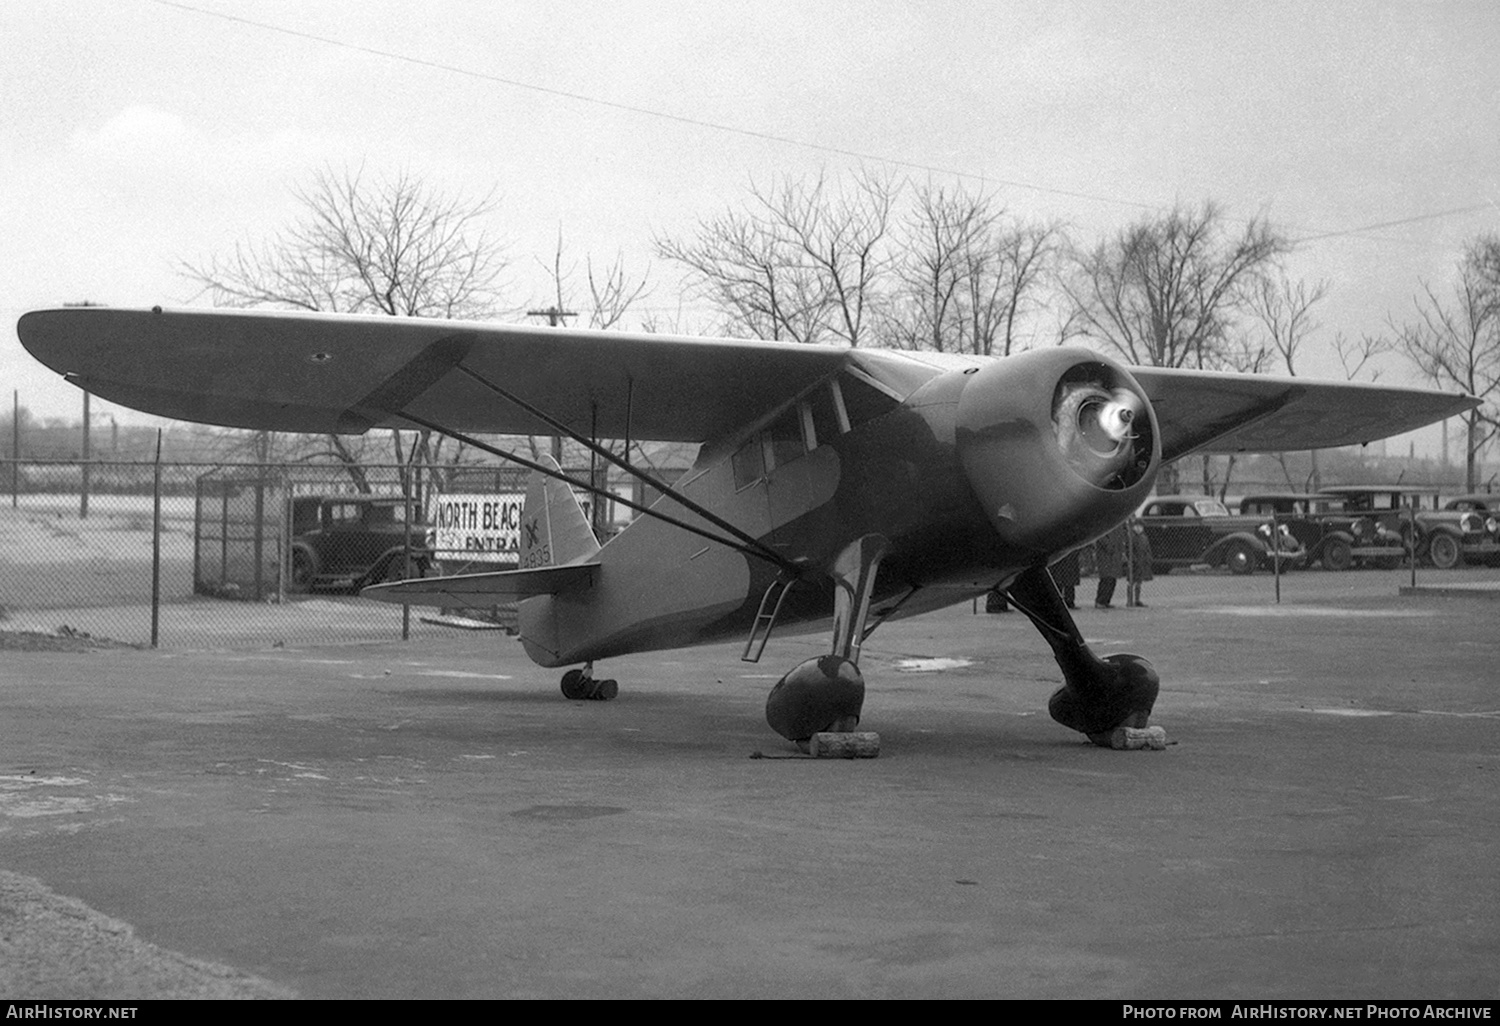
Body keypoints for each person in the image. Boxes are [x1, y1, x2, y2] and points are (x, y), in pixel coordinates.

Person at [1093, 522, 1127, 609]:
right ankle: (1100, 601)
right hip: (1106, 556)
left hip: (1114, 556)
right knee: (1106, 579)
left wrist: (1121, 551)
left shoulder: (1118, 525)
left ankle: (1106, 601)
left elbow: (1122, 538)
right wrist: (1109, 546)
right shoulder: (1104, 524)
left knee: (1112, 580)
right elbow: (1101, 538)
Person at [1126, 520, 1154, 607]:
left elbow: (1147, 549)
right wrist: (1133, 559)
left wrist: (1148, 559)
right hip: (1134, 563)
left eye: (1140, 527)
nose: (1138, 529)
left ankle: (1137, 599)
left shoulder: (1144, 538)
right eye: (1137, 526)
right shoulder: (1131, 537)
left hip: (1142, 562)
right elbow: (1129, 551)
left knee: (1139, 581)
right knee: (1131, 581)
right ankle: (1129, 600)